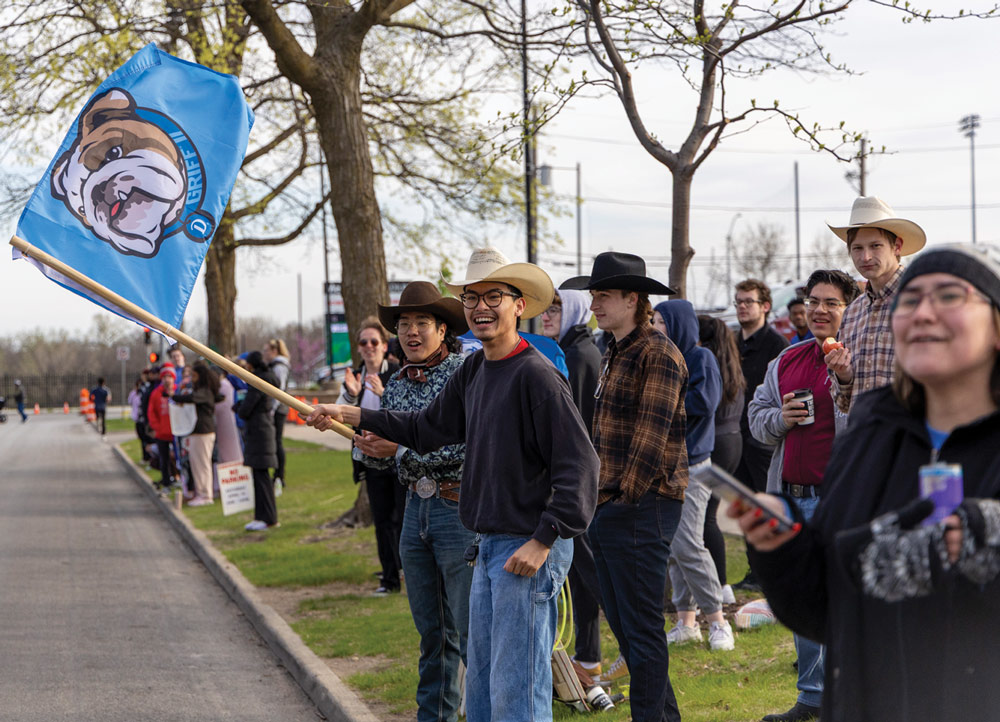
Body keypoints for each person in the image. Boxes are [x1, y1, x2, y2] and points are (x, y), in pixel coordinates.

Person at [307, 246, 598, 722]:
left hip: (524, 548)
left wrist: (544, 540)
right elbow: (425, 428)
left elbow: (581, 466)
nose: (481, 307)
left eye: (493, 296)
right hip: (485, 546)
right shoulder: (476, 370)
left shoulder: (537, 375)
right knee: (481, 690)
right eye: (471, 297)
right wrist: (353, 413)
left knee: (516, 691)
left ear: (519, 304)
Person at [561, 252, 686, 722]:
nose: (595, 303)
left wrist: (615, 501)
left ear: (634, 298)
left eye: (604, 295)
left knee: (643, 631)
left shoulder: (657, 351)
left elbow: (649, 444)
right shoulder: (614, 349)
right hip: (610, 507)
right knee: (632, 632)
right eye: (592, 295)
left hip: (642, 506)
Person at [354, 281, 473, 722]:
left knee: (469, 630)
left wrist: (400, 447)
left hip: (457, 511)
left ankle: (481, 711)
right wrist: (365, 443)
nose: (412, 332)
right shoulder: (397, 382)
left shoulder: (467, 372)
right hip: (414, 515)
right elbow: (379, 454)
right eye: (404, 324)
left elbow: (467, 445)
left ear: (444, 330)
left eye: (422, 323)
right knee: (432, 635)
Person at [746, 269, 860, 722]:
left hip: (840, 498)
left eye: (831, 302)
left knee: (844, 600)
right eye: (813, 301)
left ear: (849, 309)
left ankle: (849, 693)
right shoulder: (787, 360)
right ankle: (811, 698)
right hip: (791, 496)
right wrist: (782, 417)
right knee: (801, 601)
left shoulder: (857, 357)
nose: (819, 310)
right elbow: (756, 420)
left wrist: (847, 381)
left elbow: (871, 423)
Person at [653, 299, 734, 652]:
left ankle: (718, 620)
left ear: (677, 325)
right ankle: (686, 621)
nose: (654, 328)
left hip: (694, 466)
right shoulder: (661, 359)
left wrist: (661, 400)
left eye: (659, 322)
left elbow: (704, 402)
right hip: (665, 466)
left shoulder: (701, 358)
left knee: (688, 544)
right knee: (674, 546)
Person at [540, 288, 604, 674]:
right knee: (582, 574)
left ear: (577, 310)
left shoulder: (578, 355)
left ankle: (633, 645)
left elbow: (574, 426)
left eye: (556, 308)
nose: (546, 315)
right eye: (545, 309)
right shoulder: (571, 349)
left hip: (578, 481)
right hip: (578, 479)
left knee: (591, 571)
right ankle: (589, 657)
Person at [825, 196, 926, 415]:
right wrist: (844, 375)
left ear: (897, 246)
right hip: (866, 442)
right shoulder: (852, 313)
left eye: (875, 246)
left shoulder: (923, 302)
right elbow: (843, 404)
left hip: (913, 442)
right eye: (857, 248)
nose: (865, 256)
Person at [338, 318, 403, 595]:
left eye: (373, 342)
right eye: (363, 342)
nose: (368, 347)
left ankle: (404, 569)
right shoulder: (354, 377)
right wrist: (353, 395)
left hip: (400, 459)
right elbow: (341, 416)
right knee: (382, 520)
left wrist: (384, 394)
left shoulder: (399, 374)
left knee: (402, 519)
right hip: (371, 461)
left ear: (384, 345)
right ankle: (388, 578)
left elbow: (407, 414)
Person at [733, 278, 788, 591]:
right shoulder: (732, 342)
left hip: (762, 439)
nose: (742, 306)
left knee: (767, 506)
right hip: (736, 436)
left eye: (748, 301)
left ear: (765, 306)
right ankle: (755, 571)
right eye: (739, 301)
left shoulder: (776, 345)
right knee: (744, 508)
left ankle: (776, 571)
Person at [697, 315, 746, 604]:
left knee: (705, 518)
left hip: (715, 442)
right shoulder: (730, 364)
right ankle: (720, 584)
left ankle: (720, 585)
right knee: (709, 515)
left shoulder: (706, 363)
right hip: (732, 440)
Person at [172, 362, 225, 506]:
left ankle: (205, 495)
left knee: (202, 464)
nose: (191, 379)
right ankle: (201, 492)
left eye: (194, 376)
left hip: (203, 431)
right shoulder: (204, 391)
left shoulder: (205, 391)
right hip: (198, 431)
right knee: (197, 463)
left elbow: (191, 398)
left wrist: (174, 397)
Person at [238, 351, 279, 531]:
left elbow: (246, 408)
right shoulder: (268, 377)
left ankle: (267, 517)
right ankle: (262, 516)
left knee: (261, 477)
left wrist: (239, 406)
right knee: (260, 477)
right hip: (263, 429)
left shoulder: (258, 381)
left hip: (259, 430)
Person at [264, 338, 291, 492]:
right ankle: (278, 474)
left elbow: (278, 390)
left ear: (274, 351)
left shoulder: (279, 366)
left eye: (266, 350)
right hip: (277, 407)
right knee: (275, 441)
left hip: (278, 408)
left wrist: (272, 408)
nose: (265, 353)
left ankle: (279, 475)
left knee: (277, 442)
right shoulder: (274, 365)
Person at [147, 367, 176, 492]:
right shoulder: (156, 393)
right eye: (164, 377)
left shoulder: (177, 390)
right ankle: (166, 482)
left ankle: (176, 478)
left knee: (177, 458)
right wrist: (156, 427)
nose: (167, 379)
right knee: (164, 459)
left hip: (176, 432)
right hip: (162, 433)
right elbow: (151, 412)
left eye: (169, 377)